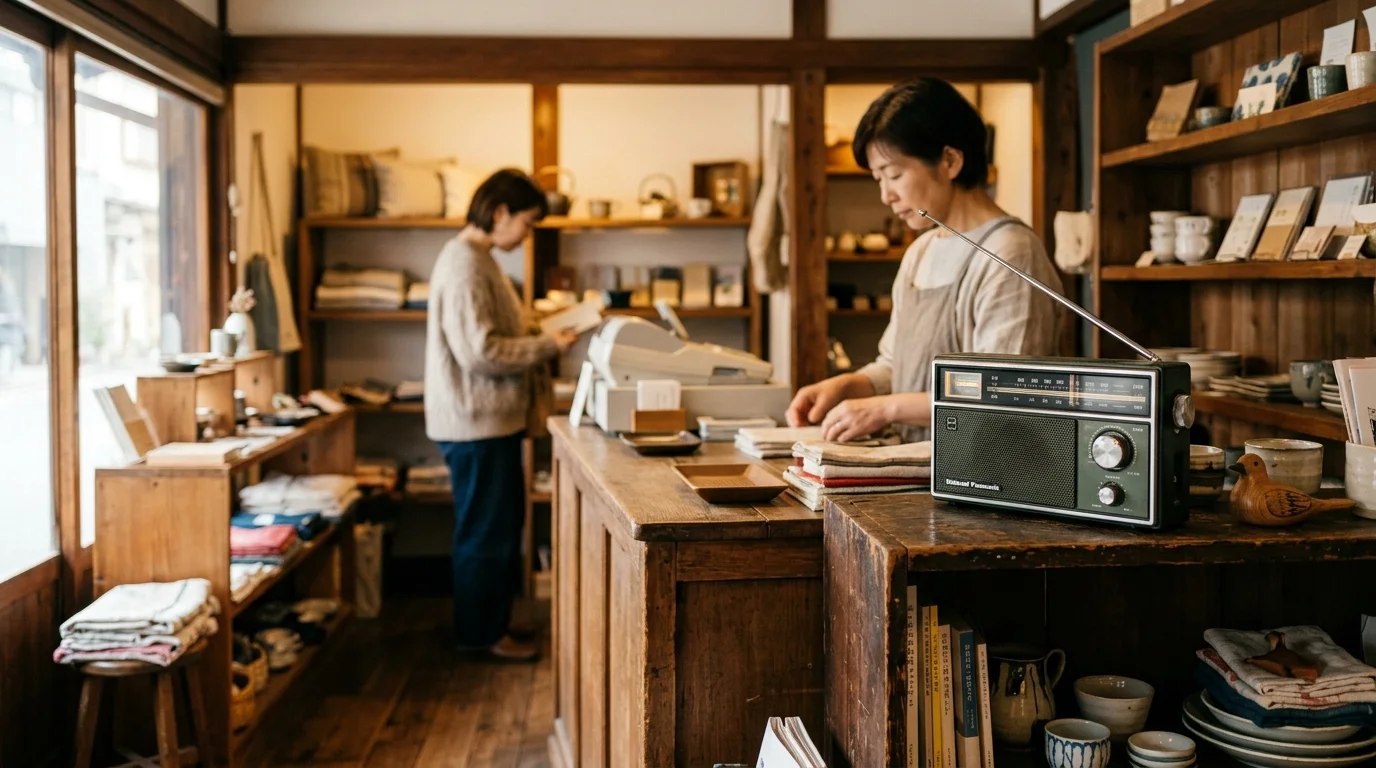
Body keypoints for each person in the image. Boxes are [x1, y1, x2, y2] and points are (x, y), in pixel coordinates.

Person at [787, 77, 1062, 444]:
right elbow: (896, 366)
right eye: (878, 179)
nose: (886, 195)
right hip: (917, 470)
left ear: (950, 160)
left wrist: (884, 408)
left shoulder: (1011, 251)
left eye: (895, 174)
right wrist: (849, 385)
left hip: (989, 474)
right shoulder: (921, 251)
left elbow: (1001, 394)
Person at [425, 168, 578, 662]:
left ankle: (489, 628)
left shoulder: (478, 258)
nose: (528, 235)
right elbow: (481, 352)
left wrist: (543, 329)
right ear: (500, 213)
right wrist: (545, 344)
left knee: (495, 526)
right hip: (476, 423)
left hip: (486, 421)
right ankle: (480, 636)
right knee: (485, 532)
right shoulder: (465, 263)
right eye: (528, 223)